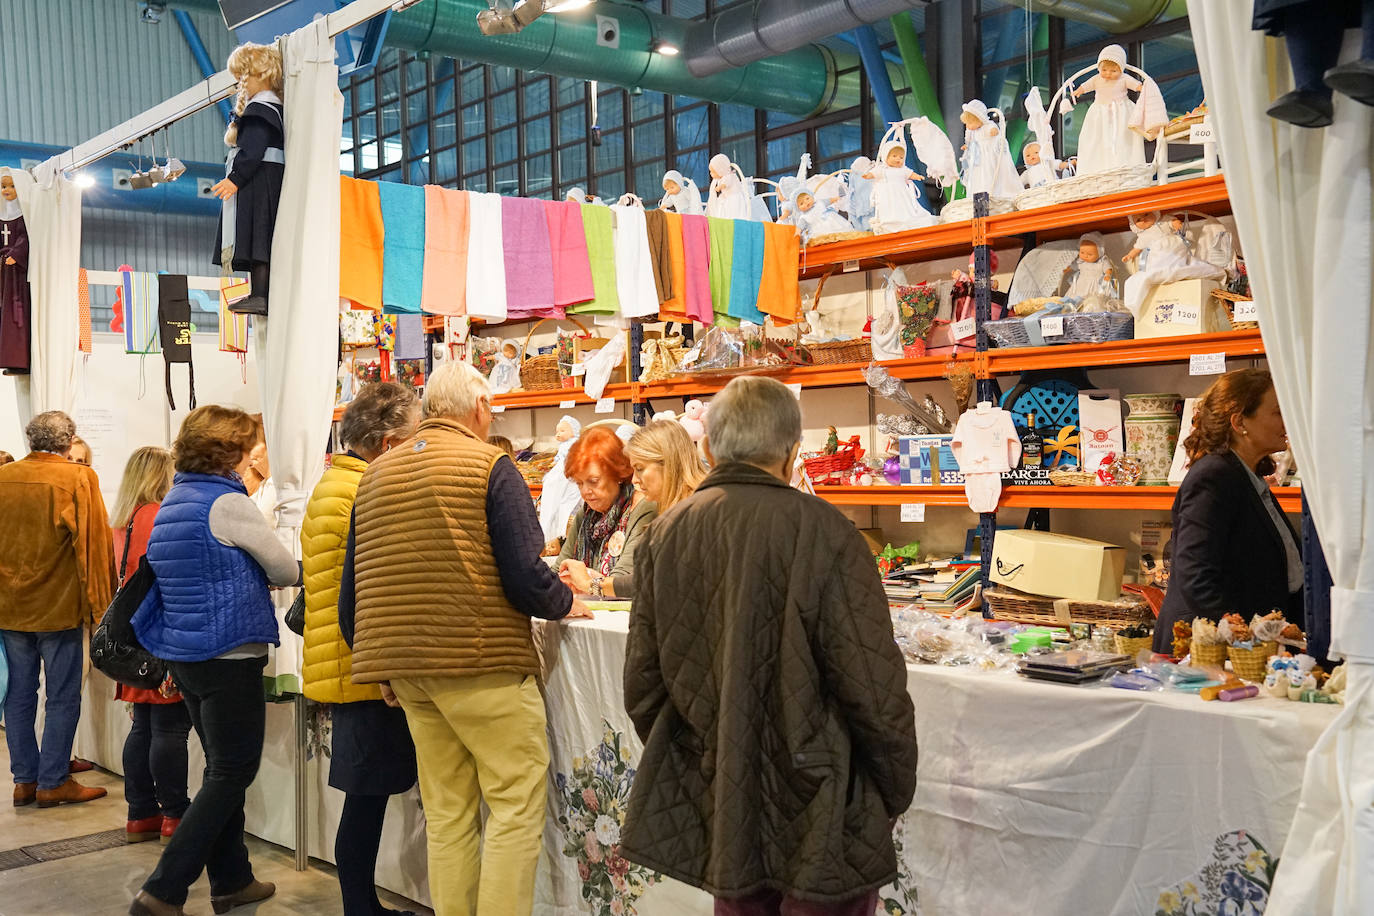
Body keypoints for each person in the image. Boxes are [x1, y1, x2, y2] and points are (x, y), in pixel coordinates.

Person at [621, 376, 919, 915]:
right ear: (792, 453)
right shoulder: (827, 532)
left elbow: (643, 685)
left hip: (725, 786)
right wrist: (892, 788)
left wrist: (708, 756)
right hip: (821, 796)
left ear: (708, 448)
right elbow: (875, 688)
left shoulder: (667, 532)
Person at [338, 361, 591, 916]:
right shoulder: (489, 464)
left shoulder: (376, 473)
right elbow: (526, 575)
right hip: (482, 663)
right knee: (513, 804)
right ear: (479, 408)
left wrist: (382, 666)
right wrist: (569, 601)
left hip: (407, 672)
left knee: (448, 812)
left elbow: (351, 590)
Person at [129, 405, 299, 916]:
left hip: (188, 654)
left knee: (222, 769)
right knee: (231, 772)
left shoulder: (175, 500)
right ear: (229, 452)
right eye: (248, 446)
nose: (253, 455)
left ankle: (232, 880)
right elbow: (285, 568)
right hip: (229, 650)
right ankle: (163, 890)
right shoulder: (229, 504)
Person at [301, 383, 421, 916]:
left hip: (347, 660)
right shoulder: (363, 490)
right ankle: (360, 907)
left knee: (363, 797)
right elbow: (373, 586)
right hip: (363, 667)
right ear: (389, 442)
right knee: (366, 798)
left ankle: (361, 904)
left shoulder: (335, 483)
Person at [0, 411, 116, 808]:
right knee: (63, 696)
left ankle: (24, 780)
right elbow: (94, 548)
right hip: (59, 607)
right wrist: (103, 609)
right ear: (69, 442)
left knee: (18, 693)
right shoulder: (78, 478)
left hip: (9, 608)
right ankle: (53, 780)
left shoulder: (4, 477)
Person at [1153, 369, 1303, 654]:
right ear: (1239, 422)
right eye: (1277, 413)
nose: (1287, 422)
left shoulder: (1247, 476)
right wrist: (1239, 632)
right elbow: (1195, 572)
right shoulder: (1214, 476)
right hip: (1206, 650)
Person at [110, 446, 191, 845]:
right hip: (161, 630)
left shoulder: (122, 520)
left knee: (143, 726)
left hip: (132, 635)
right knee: (170, 728)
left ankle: (140, 811)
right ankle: (174, 813)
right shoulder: (157, 517)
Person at [558, 421, 702, 599]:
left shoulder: (685, 512)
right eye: (579, 483)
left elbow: (645, 581)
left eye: (640, 469)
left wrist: (591, 584)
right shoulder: (587, 515)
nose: (634, 480)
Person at [556, 426, 658, 600]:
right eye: (579, 483)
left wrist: (585, 580)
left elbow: (622, 578)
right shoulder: (586, 515)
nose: (585, 491)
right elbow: (559, 568)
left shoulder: (643, 509)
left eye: (593, 481)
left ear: (617, 474)